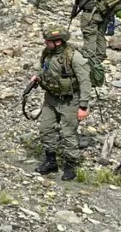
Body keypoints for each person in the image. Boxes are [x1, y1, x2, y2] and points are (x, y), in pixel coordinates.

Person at [31, 28, 91, 181]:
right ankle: (51, 162)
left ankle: (70, 165)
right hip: (51, 98)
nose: (45, 43)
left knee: (68, 134)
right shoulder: (47, 53)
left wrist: (83, 106)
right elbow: (43, 67)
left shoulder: (74, 57)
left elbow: (85, 81)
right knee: (45, 129)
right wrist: (37, 77)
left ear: (57, 42)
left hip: (70, 100)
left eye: (48, 41)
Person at [70, 0, 116, 87]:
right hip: (103, 13)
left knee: (89, 36)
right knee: (100, 34)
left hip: (91, 13)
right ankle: (100, 56)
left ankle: (90, 63)